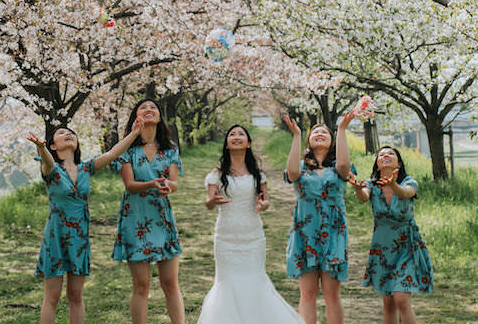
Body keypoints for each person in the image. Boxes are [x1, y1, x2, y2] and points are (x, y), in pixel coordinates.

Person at [28, 118, 143, 324]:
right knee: (52, 297)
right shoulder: (52, 170)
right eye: (61, 133)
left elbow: (112, 154)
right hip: (56, 238)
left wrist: (133, 134)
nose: (68, 133)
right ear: (53, 145)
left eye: (70, 132)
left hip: (79, 240)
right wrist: (41, 148)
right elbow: (47, 161)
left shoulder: (86, 168)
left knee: (76, 296)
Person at [196, 125, 305, 324]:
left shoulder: (257, 174)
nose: (236, 137)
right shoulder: (217, 173)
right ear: (227, 144)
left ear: (248, 143)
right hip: (226, 236)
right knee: (226, 282)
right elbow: (208, 203)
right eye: (231, 134)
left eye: (240, 134)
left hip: (253, 236)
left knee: (255, 279)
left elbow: (266, 200)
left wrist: (263, 204)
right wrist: (213, 201)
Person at [111, 99, 185, 324]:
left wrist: (166, 186)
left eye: (153, 107)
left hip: (162, 218)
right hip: (135, 218)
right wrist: (153, 184)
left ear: (160, 117)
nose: (149, 109)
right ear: (136, 117)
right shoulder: (128, 150)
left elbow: (174, 183)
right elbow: (130, 185)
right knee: (141, 285)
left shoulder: (170, 149)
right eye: (143, 108)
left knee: (170, 283)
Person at [283, 113, 355, 324]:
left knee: (332, 295)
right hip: (305, 234)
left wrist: (342, 129)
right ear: (308, 141)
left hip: (333, 233)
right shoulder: (300, 167)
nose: (320, 133)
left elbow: (344, 168)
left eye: (325, 132)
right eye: (315, 132)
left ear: (333, 141)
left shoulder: (339, 167)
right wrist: (296, 135)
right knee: (307, 294)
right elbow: (292, 173)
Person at [352, 146, 433, 324]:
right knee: (388, 304)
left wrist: (392, 184)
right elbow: (363, 197)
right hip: (382, 248)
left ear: (399, 163)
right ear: (377, 164)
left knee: (401, 299)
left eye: (391, 154)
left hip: (407, 246)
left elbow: (405, 193)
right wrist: (358, 189)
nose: (385, 155)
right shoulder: (371, 185)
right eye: (381, 154)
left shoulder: (409, 182)